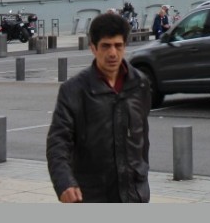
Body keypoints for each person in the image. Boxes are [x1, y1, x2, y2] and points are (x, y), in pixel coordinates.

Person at [46, 11, 151, 203]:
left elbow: (142, 137)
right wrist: (64, 182)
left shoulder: (140, 84)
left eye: (118, 46)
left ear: (125, 46)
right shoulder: (74, 90)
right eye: (106, 46)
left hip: (134, 194)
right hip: (93, 194)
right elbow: (58, 142)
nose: (113, 53)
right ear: (93, 48)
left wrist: (142, 173)